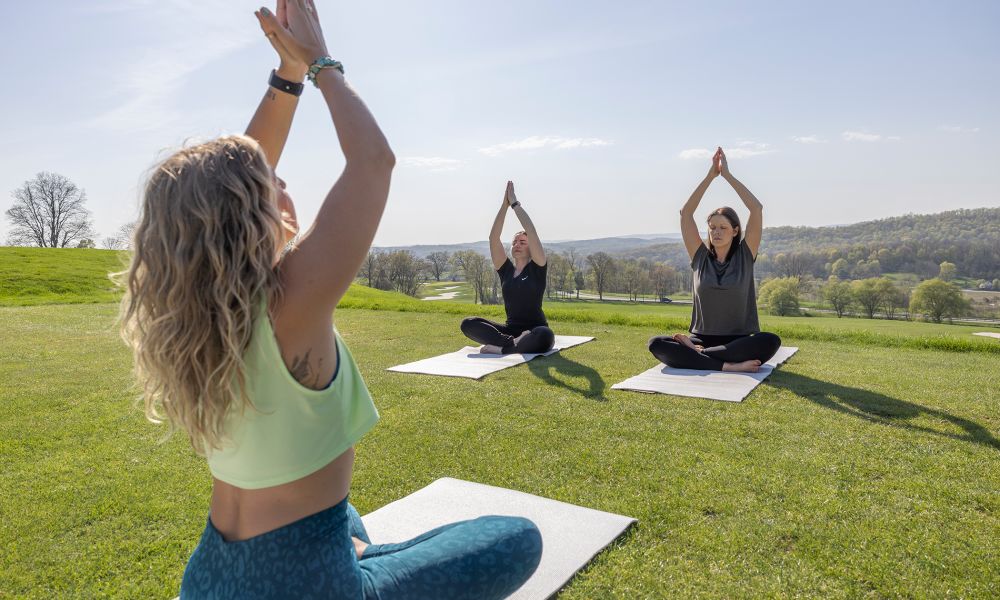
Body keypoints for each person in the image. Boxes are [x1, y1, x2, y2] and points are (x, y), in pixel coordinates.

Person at [118, 2, 541, 597]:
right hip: (300, 583)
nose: (283, 181)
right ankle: (364, 562)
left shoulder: (195, 312)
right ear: (246, 220)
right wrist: (321, 63)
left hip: (211, 575)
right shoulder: (288, 305)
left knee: (342, 516)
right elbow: (373, 162)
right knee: (516, 536)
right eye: (274, 187)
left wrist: (285, 76)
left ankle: (359, 550)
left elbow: (230, 178)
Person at [648, 147, 781, 372]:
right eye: (712, 228)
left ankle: (699, 356)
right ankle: (728, 366)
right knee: (657, 344)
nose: (716, 232)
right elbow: (686, 213)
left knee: (770, 341)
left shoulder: (745, 256)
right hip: (700, 337)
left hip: (738, 341)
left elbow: (756, 208)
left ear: (735, 230)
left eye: (722, 227)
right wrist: (710, 176)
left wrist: (727, 175)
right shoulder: (699, 257)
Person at [461, 181, 555, 354]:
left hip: (534, 330)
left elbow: (531, 231)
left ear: (531, 247)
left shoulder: (537, 267)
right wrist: (503, 206)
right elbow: (493, 238)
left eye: (522, 242)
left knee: (545, 334)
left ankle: (503, 350)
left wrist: (514, 204)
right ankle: (510, 344)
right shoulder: (506, 270)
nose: (517, 244)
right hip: (510, 332)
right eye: (514, 242)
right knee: (468, 324)